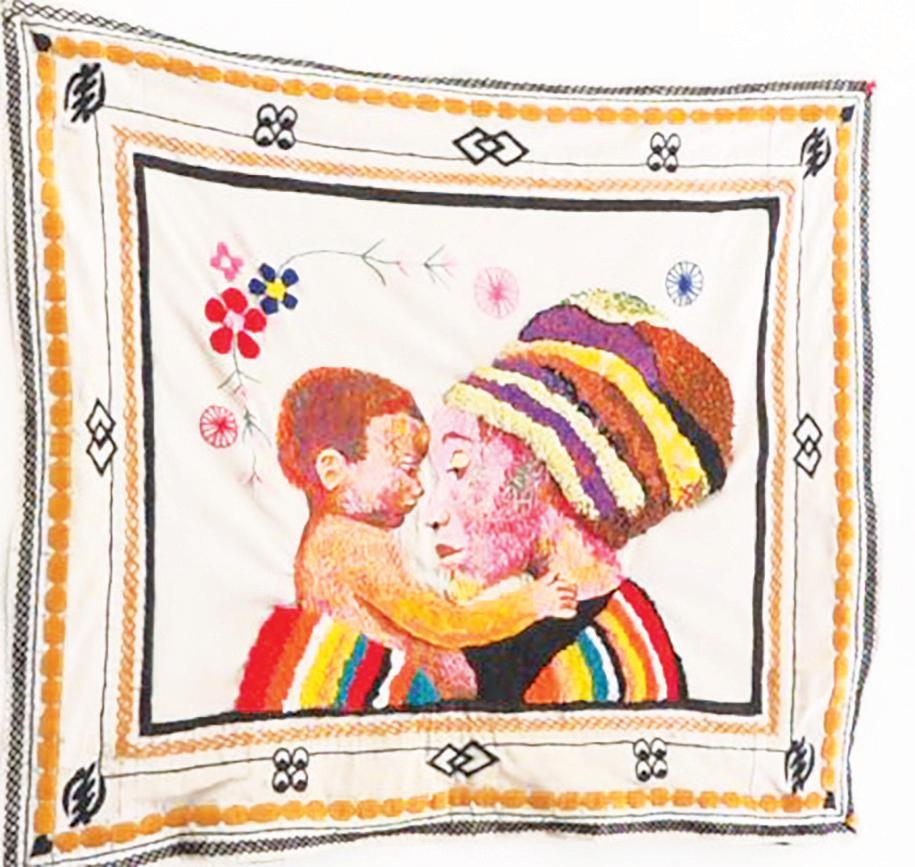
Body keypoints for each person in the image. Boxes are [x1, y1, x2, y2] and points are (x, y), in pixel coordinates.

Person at [423, 289, 735, 705]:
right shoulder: (499, 624)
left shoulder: (620, 668)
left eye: (460, 467)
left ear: (559, 471)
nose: (432, 513)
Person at [235, 367, 580, 714]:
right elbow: (440, 623)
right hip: (413, 705)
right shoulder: (349, 544)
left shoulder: (335, 537)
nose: (419, 487)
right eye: (406, 467)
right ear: (332, 470)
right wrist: (531, 603)